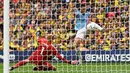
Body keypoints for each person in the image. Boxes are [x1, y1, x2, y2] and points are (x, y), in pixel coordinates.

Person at [9, 34, 79, 71]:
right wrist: (69, 62)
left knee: (26, 60)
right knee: (54, 68)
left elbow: (36, 38)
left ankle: (13, 67)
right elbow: (60, 57)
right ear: (53, 39)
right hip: (41, 60)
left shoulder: (42, 40)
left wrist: (33, 36)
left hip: (34, 55)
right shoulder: (52, 47)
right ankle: (40, 68)